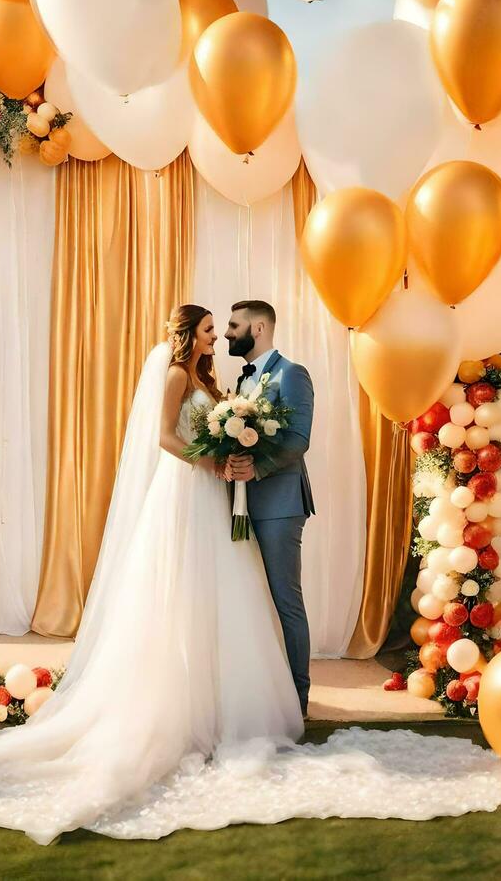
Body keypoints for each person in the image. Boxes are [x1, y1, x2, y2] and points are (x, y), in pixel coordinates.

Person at [0, 306, 501, 844]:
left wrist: (232, 456)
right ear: (189, 335)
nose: (221, 336)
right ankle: (183, 705)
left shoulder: (226, 382)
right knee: (180, 593)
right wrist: (216, 462)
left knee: (238, 597)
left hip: (223, 498)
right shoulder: (178, 377)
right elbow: (165, 437)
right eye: (212, 329)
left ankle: (238, 701)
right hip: (186, 494)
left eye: (226, 328)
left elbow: (272, 438)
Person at [223, 299, 315, 715]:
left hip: (279, 504)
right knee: (250, 600)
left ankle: (298, 698)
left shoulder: (292, 374)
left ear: (258, 329)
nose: (227, 333)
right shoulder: (242, 383)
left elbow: (298, 441)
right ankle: (262, 692)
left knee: (285, 600)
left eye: (233, 325)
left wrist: (253, 470)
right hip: (240, 506)